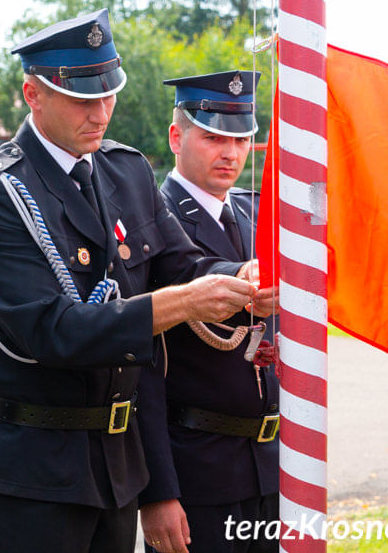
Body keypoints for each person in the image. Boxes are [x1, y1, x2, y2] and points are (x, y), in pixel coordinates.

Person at [0, 10, 268, 553]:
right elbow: (50, 332)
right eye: (82, 99)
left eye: (109, 94)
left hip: (115, 465)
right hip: (33, 467)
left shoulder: (125, 169)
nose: (100, 113)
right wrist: (181, 302)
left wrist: (238, 276)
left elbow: (181, 266)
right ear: (33, 94)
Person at [138, 71, 280, 553]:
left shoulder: (256, 213)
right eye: (214, 136)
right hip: (197, 469)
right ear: (177, 136)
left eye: (241, 138)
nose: (231, 153)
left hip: (268, 465)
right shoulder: (151, 218)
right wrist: (158, 490)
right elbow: (143, 372)